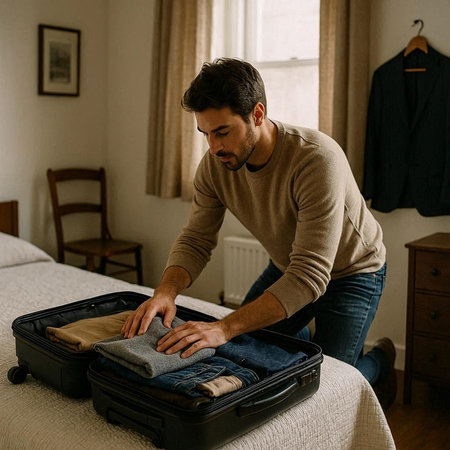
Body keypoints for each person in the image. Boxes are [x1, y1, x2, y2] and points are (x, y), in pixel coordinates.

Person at [122, 58, 397, 409]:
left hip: (354, 271)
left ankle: (381, 362)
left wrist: (223, 326)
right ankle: (303, 339)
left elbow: (309, 277)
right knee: (247, 348)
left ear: (257, 114)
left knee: (328, 383)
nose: (214, 147)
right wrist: (165, 291)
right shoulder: (215, 165)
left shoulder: (316, 159)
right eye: (205, 134)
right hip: (289, 265)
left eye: (222, 132)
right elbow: (196, 238)